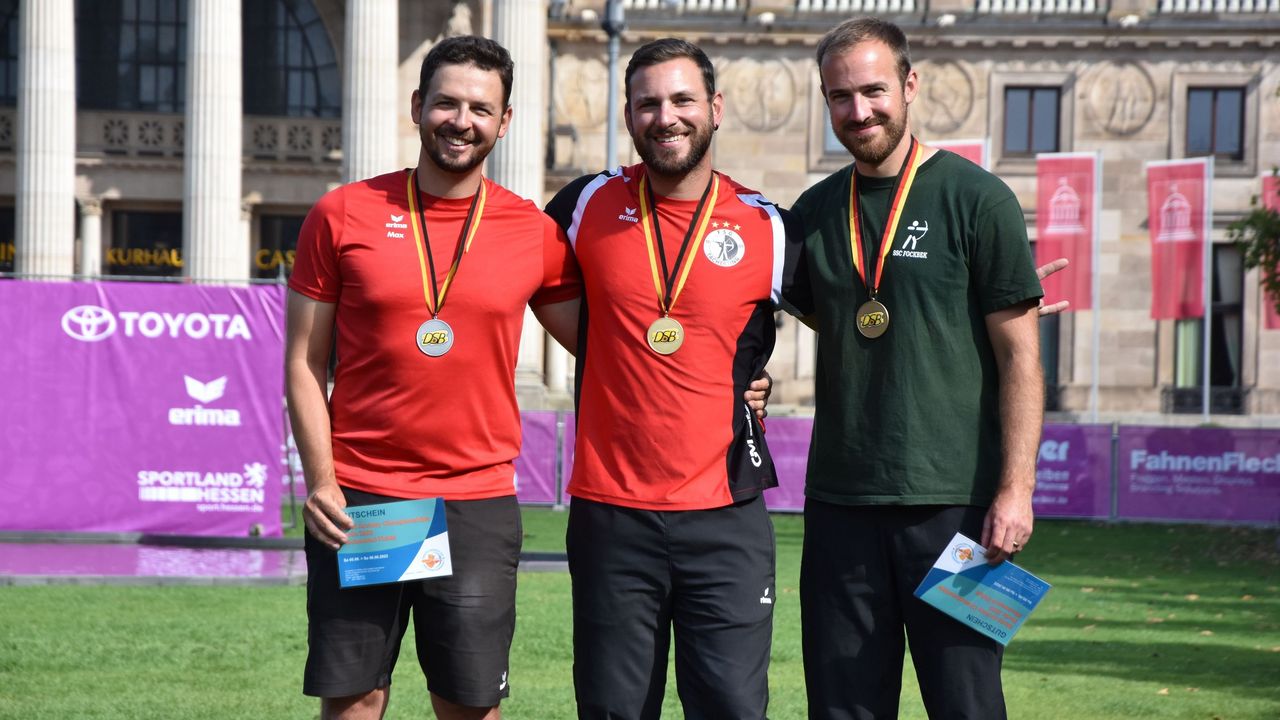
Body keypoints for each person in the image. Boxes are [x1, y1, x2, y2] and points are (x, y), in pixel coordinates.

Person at [285, 36, 583, 720]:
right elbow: (303, 362)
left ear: (504, 122)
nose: (461, 120)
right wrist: (323, 480)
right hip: (366, 498)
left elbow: (607, 348)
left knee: (470, 706)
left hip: (475, 499)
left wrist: (738, 377)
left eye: (481, 108)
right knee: (355, 700)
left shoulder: (530, 231)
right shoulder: (344, 214)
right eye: (446, 102)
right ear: (418, 107)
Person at [783, 17, 1046, 720]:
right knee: (842, 709)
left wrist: (1014, 491)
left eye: (873, 90)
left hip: (958, 507)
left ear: (910, 85)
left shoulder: (977, 198)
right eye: (840, 96)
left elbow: (1021, 356)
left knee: (967, 703)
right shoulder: (811, 213)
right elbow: (825, 315)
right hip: (841, 505)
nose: (858, 110)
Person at [544, 38, 803, 720]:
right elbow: (516, 279)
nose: (667, 117)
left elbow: (860, 321)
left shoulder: (769, 226)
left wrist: (754, 377)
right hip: (612, 515)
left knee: (732, 709)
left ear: (714, 108)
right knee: (613, 711)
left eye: (683, 99)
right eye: (648, 103)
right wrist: (607, 354)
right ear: (628, 116)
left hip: (726, 516)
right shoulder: (584, 204)